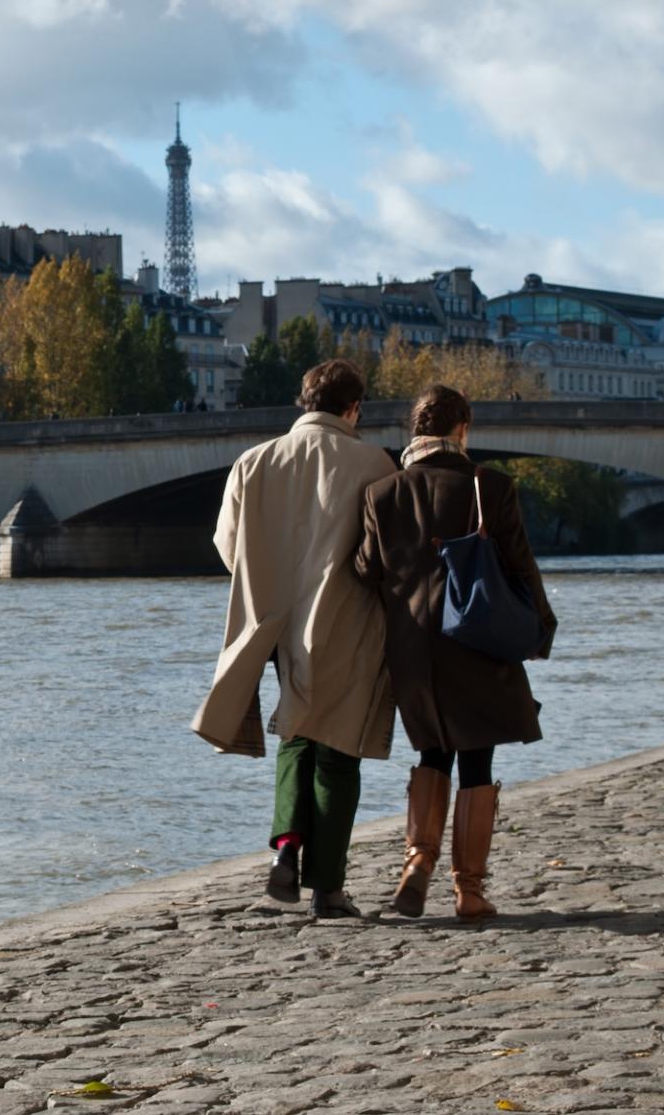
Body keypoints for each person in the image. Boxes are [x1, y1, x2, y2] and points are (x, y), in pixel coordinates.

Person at [193, 359, 398, 918]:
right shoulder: (375, 463)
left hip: (276, 622)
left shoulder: (253, 462)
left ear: (303, 403)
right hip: (348, 619)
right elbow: (384, 553)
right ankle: (328, 888)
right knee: (338, 749)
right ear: (354, 408)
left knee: (296, 733)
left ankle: (286, 848)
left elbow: (227, 545)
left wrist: (271, 581)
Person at [354, 384, 558, 921]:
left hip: (413, 653)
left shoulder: (382, 493)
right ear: (461, 430)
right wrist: (540, 630)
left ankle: (417, 860)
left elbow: (366, 570)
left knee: (431, 754)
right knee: (477, 759)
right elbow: (519, 565)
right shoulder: (487, 487)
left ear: (415, 432)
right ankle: (468, 889)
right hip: (477, 639)